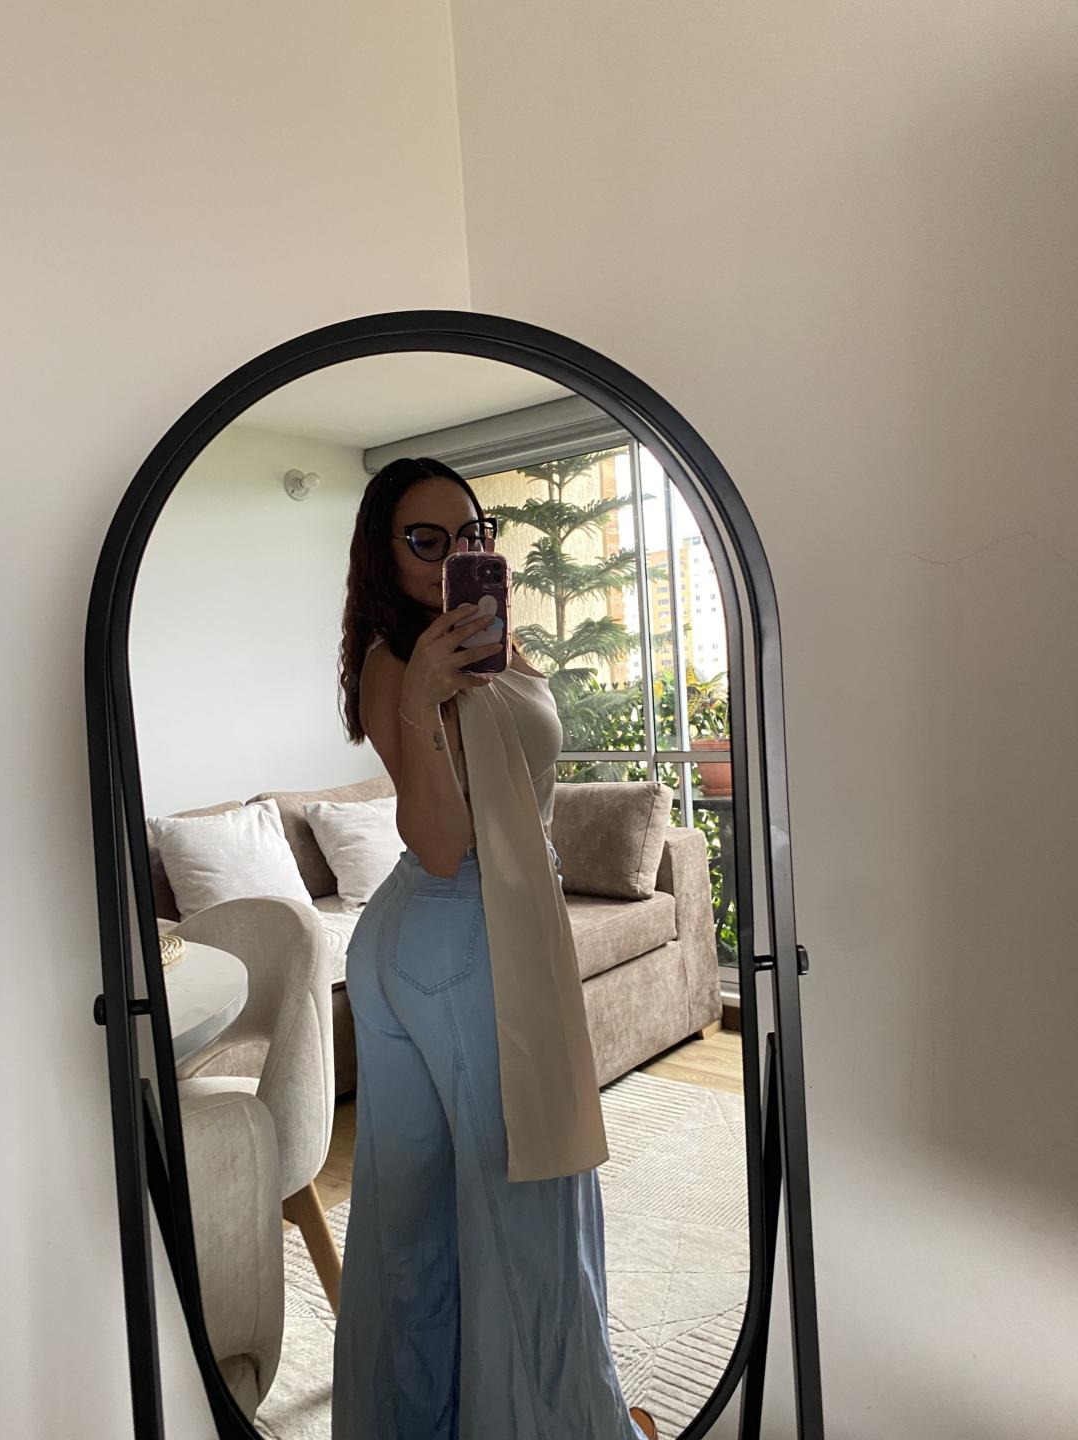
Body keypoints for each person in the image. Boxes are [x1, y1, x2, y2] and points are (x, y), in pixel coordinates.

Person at [332, 456, 658, 1440]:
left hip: (439, 939)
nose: (452, 557)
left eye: (470, 536)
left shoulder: (491, 641)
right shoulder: (396, 660)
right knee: (527, 1211)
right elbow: (438, 841)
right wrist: (423, 698)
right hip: (463, 933)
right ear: (384, 555)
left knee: (417, 1219)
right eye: (425, 541)